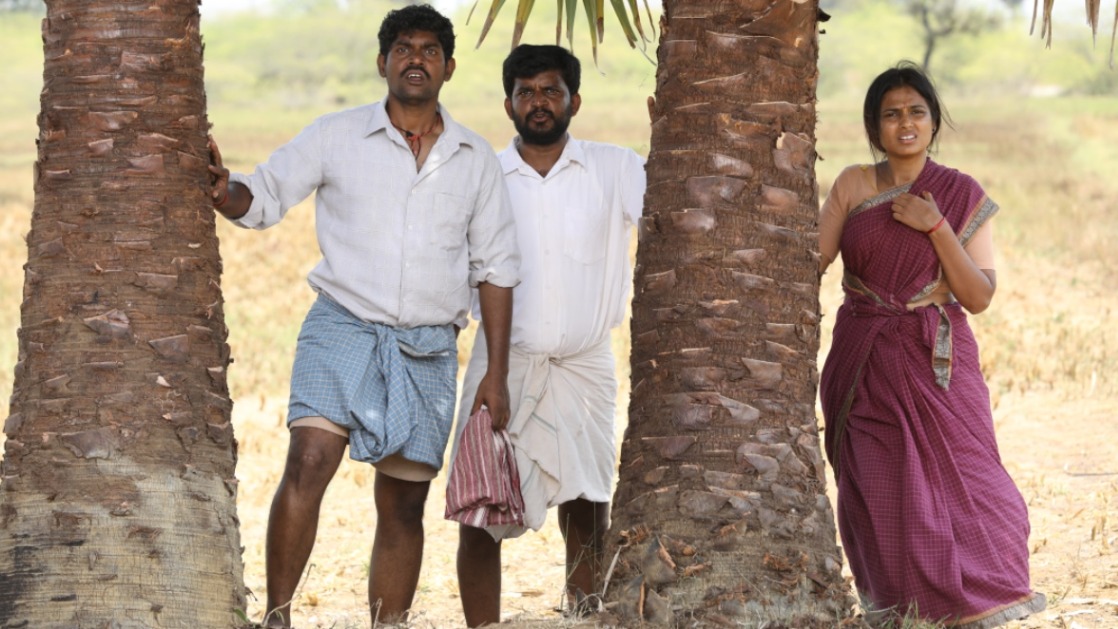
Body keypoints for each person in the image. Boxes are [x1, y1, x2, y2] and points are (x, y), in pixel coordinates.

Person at [206, 5, 519, 626]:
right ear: (382, 63)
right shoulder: (335, 135)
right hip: (342, 325)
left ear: (449, 68)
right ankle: (277, 616)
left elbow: (497, 267)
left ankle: (388, 625)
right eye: (403, 48)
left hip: (426, 347)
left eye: (430, 50)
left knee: (403, 503)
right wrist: (223, 191)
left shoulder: (474, 158)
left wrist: (496, 374)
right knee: (309, 461)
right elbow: (264, 194)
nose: (415, 59)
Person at [818, 62, 1045, 628]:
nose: (905, 124)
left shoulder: (960, 193)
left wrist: (935, 225)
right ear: (874, 128)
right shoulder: (852, 184)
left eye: (916, 112)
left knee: (970, 478)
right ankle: (902, 609)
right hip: (864, 354)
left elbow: (978, 295)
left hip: (936, 360)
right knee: (875, 484)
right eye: (891, 115)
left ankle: (977, 598)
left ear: (934, 122)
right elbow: (811, 261)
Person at [451, 44, 645, 627]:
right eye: (526, 92)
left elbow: (672, 216)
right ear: (508, 104)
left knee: (588, 498)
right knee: (481, 501)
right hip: (500, 362)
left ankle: (584, 615)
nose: (539, 102)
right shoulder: (481, 172)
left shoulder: (616, 167)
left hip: (586, 362)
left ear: (574, 101)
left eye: (551, 91)